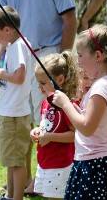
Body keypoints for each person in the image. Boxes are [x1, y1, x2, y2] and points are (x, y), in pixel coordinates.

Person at [0, 0, 77, 191]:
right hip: (15, 59)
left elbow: (69, 20)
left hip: (46, 57)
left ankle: (48, 180)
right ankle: (22, 182)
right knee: (19, 120)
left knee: (47, 121)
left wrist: (62, 61)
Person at [52, 18, 107, 199]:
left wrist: (66, 104)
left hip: (96, 167)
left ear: (98, 56)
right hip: (103, 164)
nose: (78, 62)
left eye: (80, 55)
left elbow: (87, 127)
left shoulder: (102, 87)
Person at [0, 6, 33, 200]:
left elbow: (19, 77)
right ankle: (10, 196)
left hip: (14, 115)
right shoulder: (14, 45)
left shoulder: (19, 45)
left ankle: (16, 197)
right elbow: (13, 78)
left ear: (7, 29)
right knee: (11, 161)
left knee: (17, 162)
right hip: (9, 112)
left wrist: (1, 74)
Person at [30, 51, 78, 199]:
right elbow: (48, 125)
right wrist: (37, 130)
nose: (40, 87)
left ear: (60, 79)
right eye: (38, 83)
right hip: (45, 161)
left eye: (43, 83)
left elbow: (75, 135)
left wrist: (50, 137)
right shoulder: (46, 102)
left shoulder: (67, 105)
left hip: (61, 165)